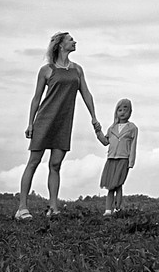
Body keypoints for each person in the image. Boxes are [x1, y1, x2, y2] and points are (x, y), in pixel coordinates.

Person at [17, 31, 101, 219]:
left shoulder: (77, 70)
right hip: (45, 120)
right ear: (61, 45)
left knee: (55, 164)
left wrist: (93, 117)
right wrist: (30, 123)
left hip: (64, 122)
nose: (75, 42)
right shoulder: (46, 70)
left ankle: (53, 208)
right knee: (34, 162)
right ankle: (22, 208)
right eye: (71, 40)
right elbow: (36, 98)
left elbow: (86, 94)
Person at [96, 98, 139, 215]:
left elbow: (133, 146)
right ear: (116, 112)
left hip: (123, 158)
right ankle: (108, 209)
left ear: (130, 112)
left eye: (126, 109)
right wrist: (98, 131)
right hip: (111, 159)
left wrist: (131, 162)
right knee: (110, 185)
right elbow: (105, 141)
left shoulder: (132, 128)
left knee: (118, 184)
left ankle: (118, 208)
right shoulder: (112, 128)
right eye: (120, 109)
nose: (123, 112)